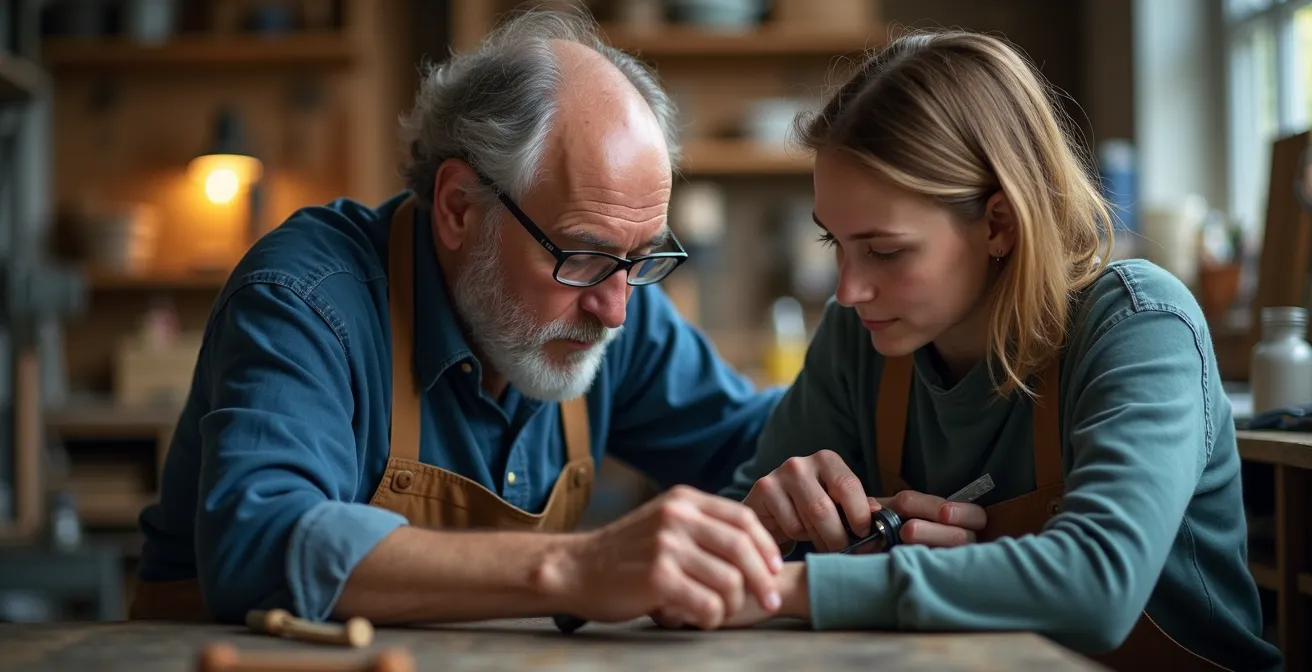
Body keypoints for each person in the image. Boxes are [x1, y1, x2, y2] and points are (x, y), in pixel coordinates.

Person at [130, 8, 789, 630]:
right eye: (580, 255)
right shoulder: (306, 299)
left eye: (641, 259)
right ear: (458, 208)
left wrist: (822, 459)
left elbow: (753, 441)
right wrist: (577, 565)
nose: (615, 307)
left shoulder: (609, 301)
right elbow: (259, 540)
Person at [709, 29, 1283, 672]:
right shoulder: (862, 338)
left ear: (998, 224)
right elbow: (724, 541)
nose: (848, 289)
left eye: (886, 250)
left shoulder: (1140, 324)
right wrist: (764, 526)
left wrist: (788, 588)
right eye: (833, 243)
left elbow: (1096, 584)